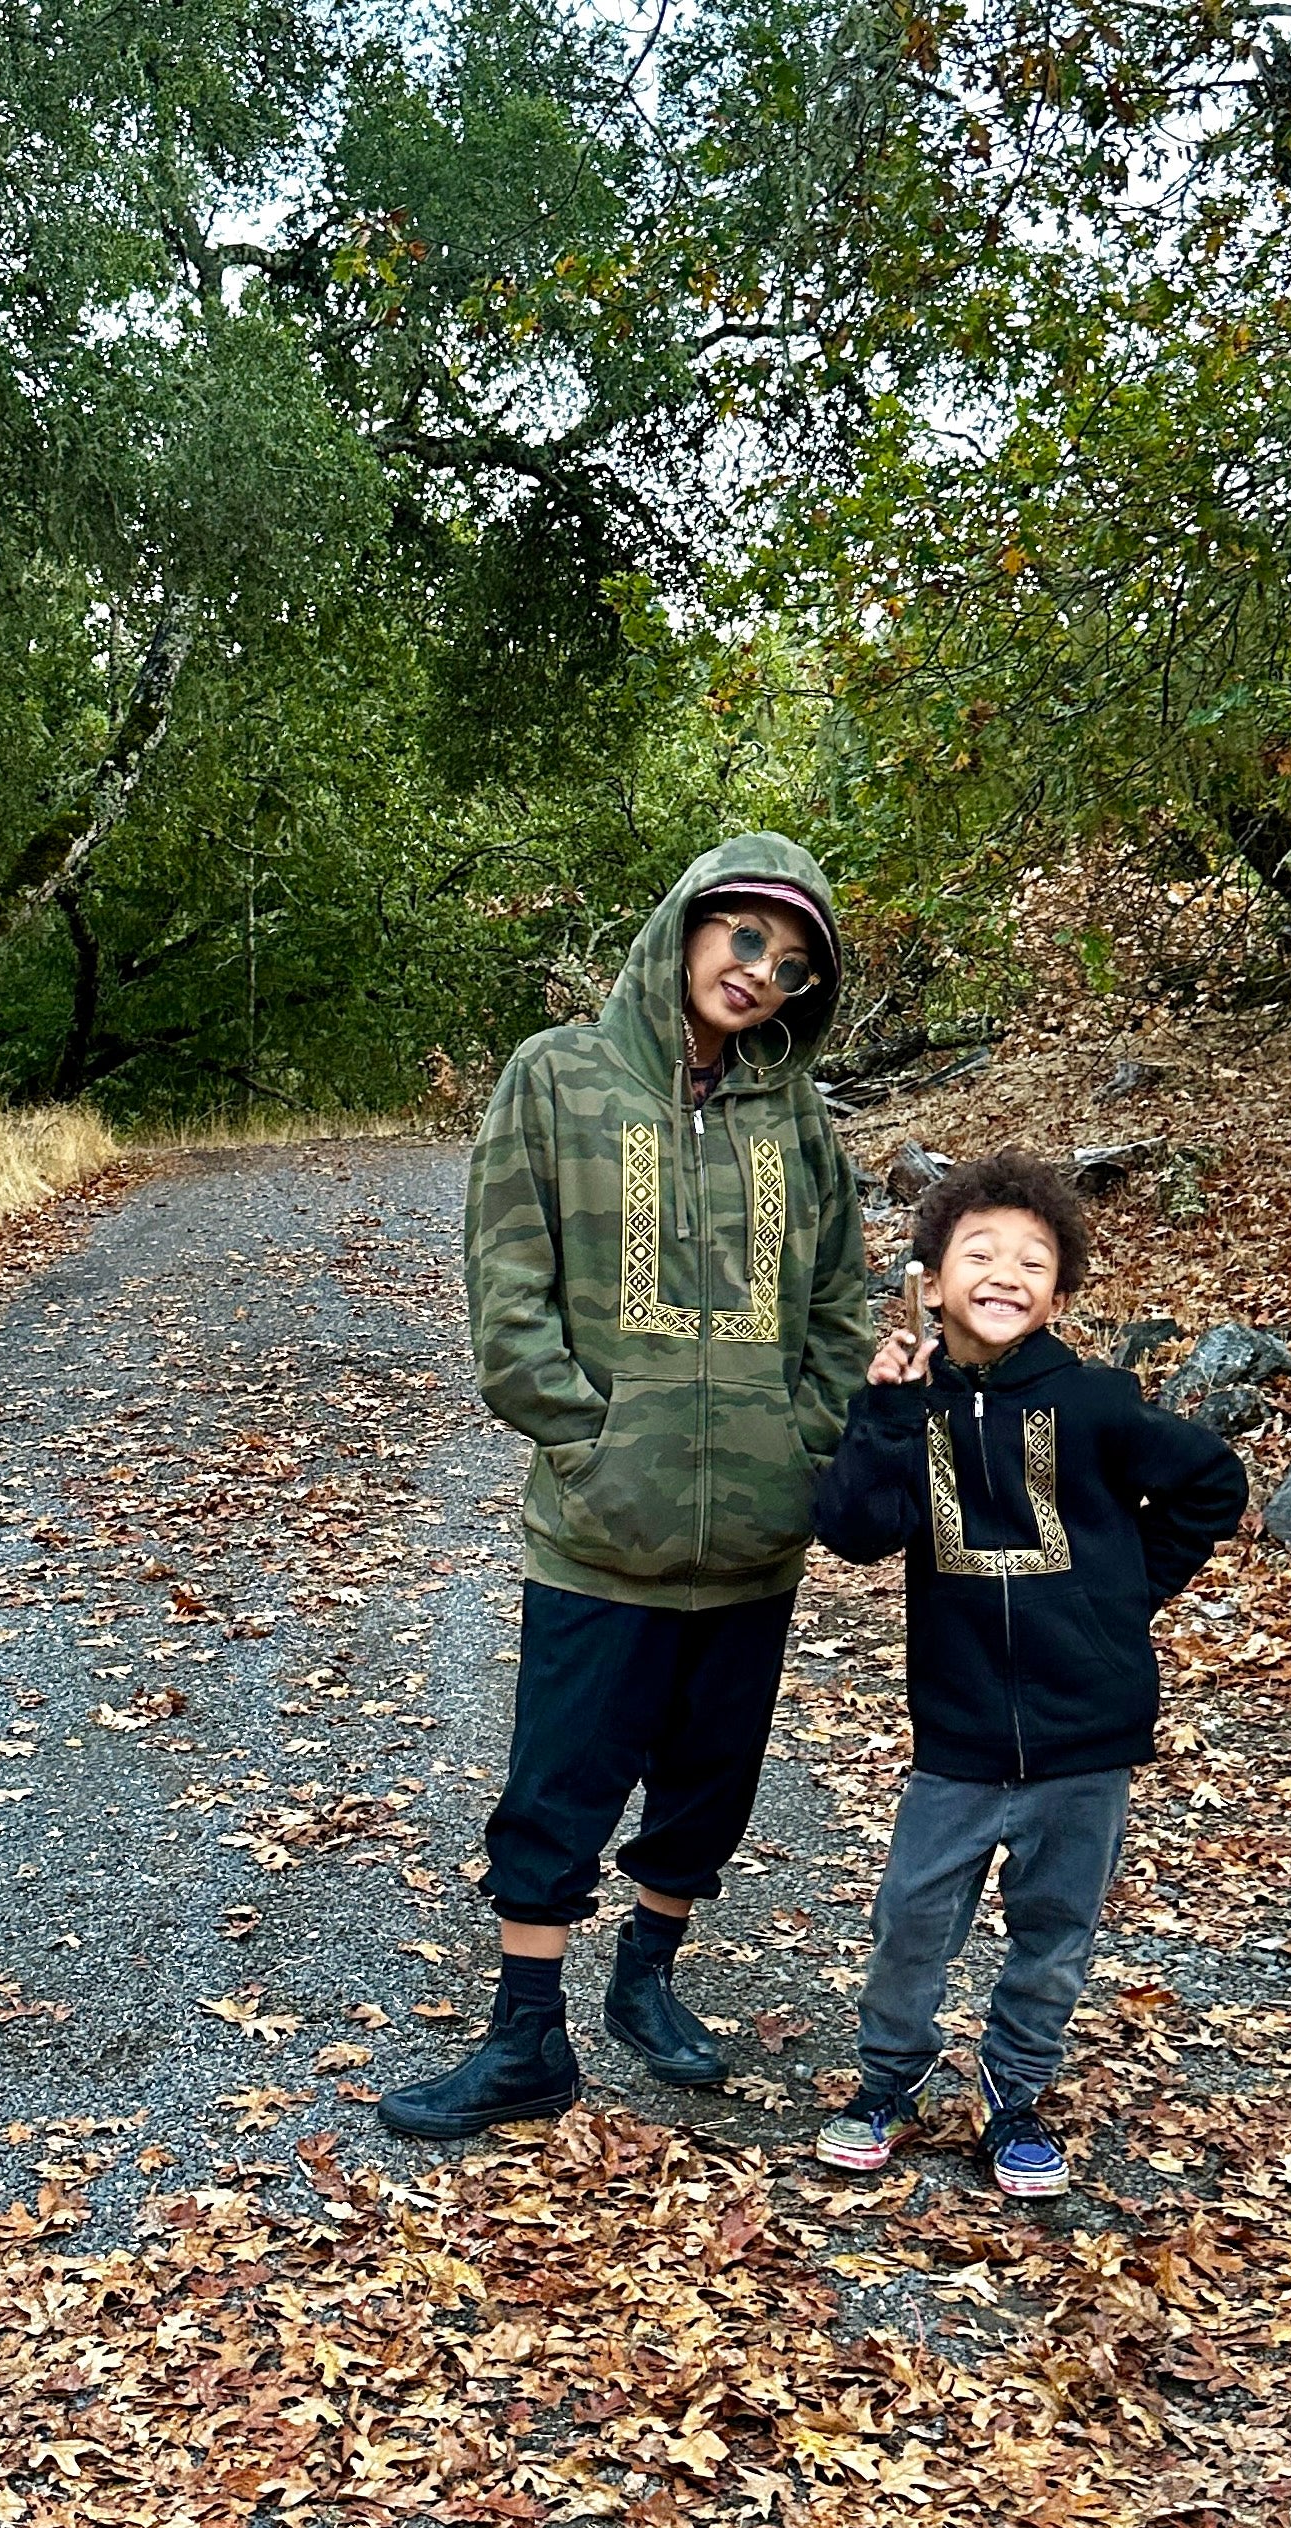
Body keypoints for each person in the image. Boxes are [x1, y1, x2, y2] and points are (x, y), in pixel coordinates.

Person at [379, 834, 875, 2139]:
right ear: (685, 927)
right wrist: (586, 1439)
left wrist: (803, 1438)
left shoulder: (800, 1118)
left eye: (792, 960)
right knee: (560, 1779)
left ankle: (647, 1982)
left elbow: (838, 1297)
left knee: (711, 1782)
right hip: (599, 1535)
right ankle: (525, 2037)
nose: (761, 970)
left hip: (754, 1541)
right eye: (744, 936)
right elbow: (508, 1293)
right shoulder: (558, 1079)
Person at [810, 1149, 1247, 2196]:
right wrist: (881, 1416)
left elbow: (1211, 1482)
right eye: (980, 1252)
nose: (1005, 1273)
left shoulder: (1095, 1401)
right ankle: (889, 2082)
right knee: (912, 1915)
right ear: (930, 1272)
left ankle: (1015, 2095)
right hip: (957, 1734)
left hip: (1084, 1738)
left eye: (1033, 1259)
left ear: (1060, 1288)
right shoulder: (906, 1407)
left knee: (1053, 1929)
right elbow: (857, 1533)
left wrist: (1122, 1597)